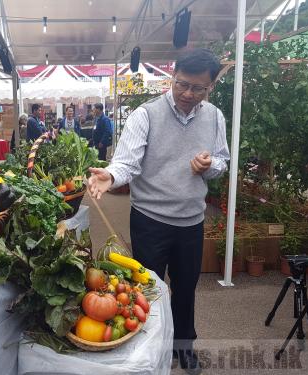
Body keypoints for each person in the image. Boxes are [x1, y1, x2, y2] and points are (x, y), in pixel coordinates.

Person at [88, 48, 229, 375]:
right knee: (148, 288)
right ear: (172, 76)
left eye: (198, 89)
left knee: (185, 288)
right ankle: (151, 347)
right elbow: (127, 162)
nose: (188, 94)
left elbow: (222, 161)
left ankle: (185, 346)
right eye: (182, 85)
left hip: (191, 221)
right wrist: (111, 175)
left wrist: (210, 166)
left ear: (210, 88)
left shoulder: (215, 117)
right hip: (150, 220)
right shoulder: (146, 115)